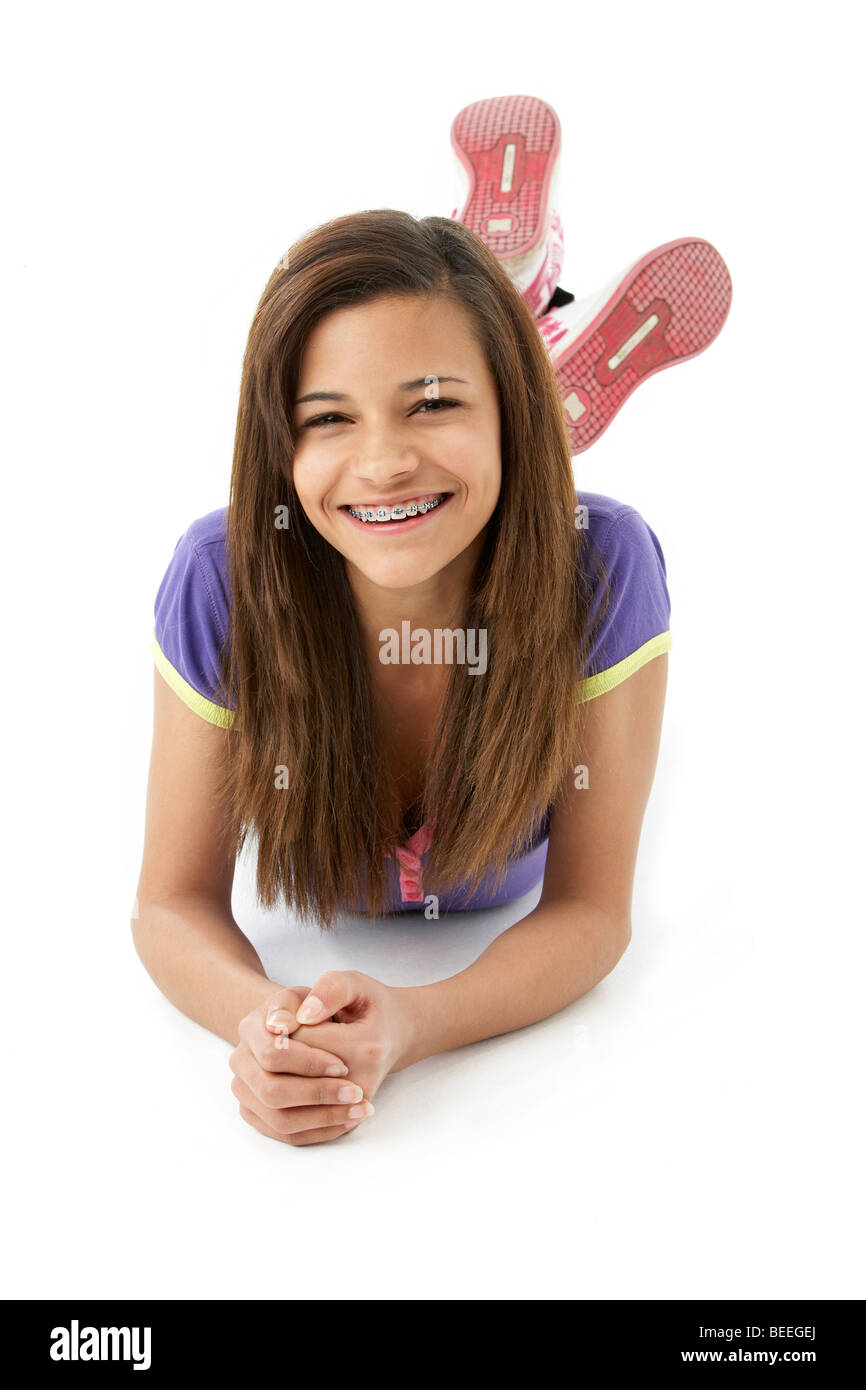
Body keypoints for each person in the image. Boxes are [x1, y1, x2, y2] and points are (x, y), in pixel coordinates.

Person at [133, 206, 672, 1146]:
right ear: (280, 446)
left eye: (433, 403)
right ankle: (517, 293)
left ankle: (523, 311)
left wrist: (417, 1023)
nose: (379, 462)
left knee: (452, 323)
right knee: (434, 333)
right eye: (328, 418)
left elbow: (592, 911)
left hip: (534, 468)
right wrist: (269, 1028)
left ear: (512, 413)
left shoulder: (605, 565)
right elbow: (169, 904)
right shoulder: (223, 576)